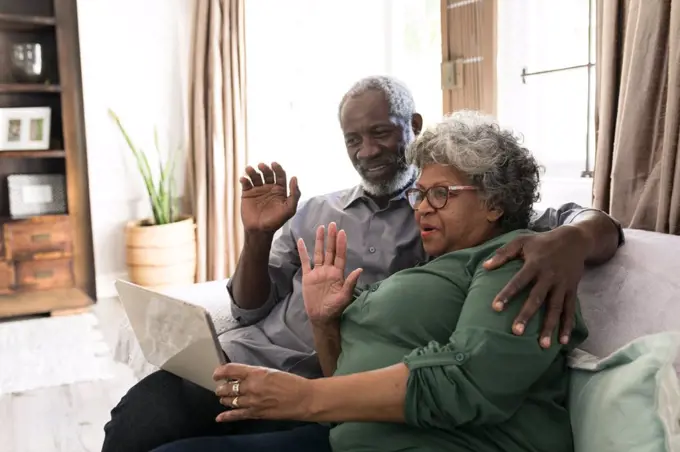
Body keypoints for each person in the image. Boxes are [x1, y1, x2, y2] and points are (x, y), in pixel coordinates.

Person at [103, 76, 622, 452]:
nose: (368, 151)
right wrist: (258, 237)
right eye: (354, 139)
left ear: (412, 127)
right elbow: (246, 308)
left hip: (331, 393)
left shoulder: (484, 230)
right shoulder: (315, 210)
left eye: (382, 133)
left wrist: (573, 239)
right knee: (135, 419)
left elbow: (576, 221)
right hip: (258, 365)